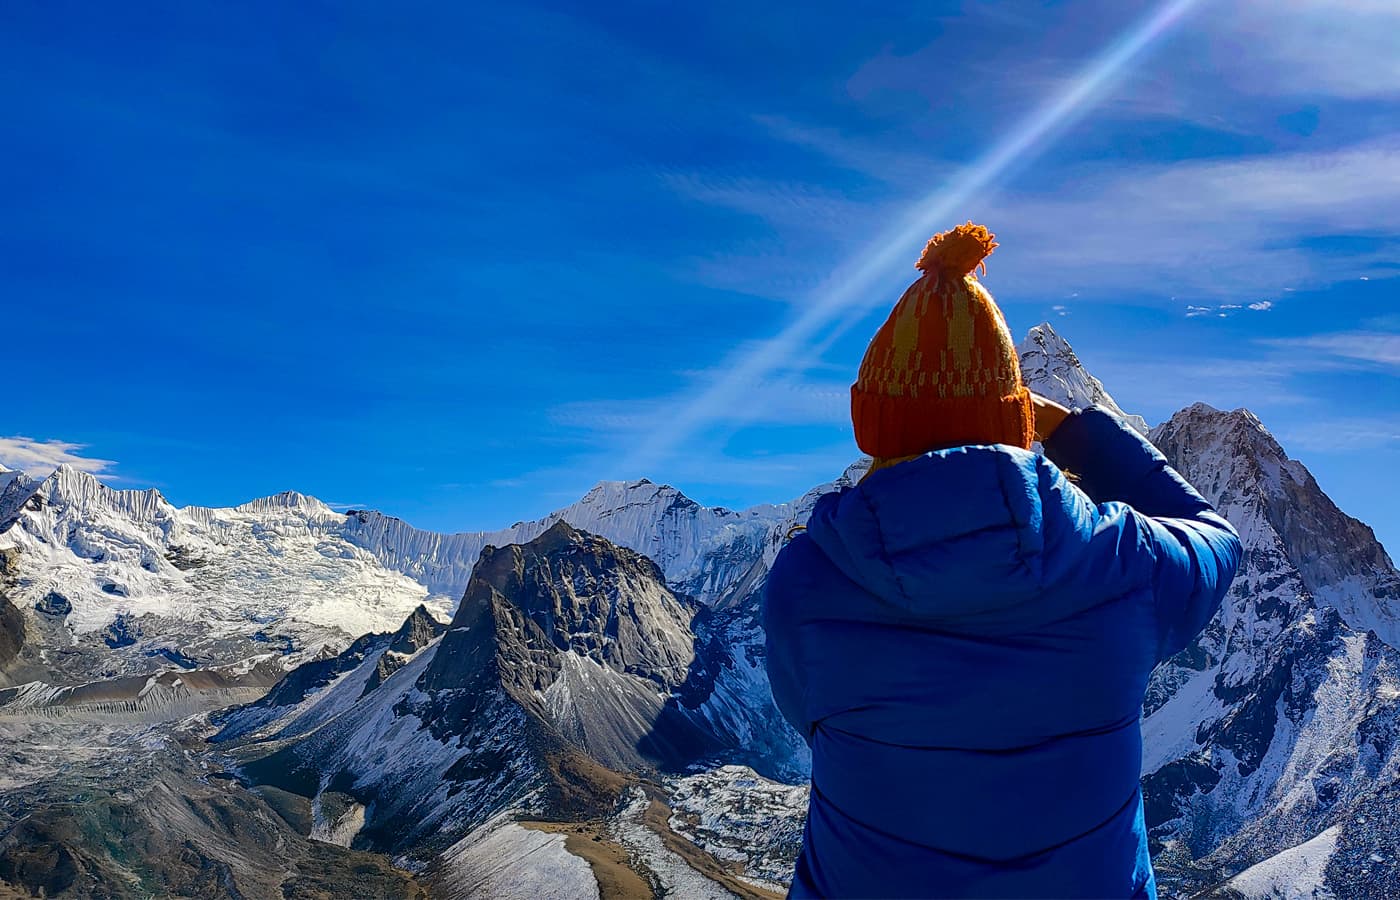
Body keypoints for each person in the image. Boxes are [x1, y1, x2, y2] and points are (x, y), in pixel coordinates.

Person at [762, 223, 1242, 899]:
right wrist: (1079, 434)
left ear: (872, 424)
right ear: (1016, 419)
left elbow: (807, 715)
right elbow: (1215, 536)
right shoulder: (1126, 564)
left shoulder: (805, 585)